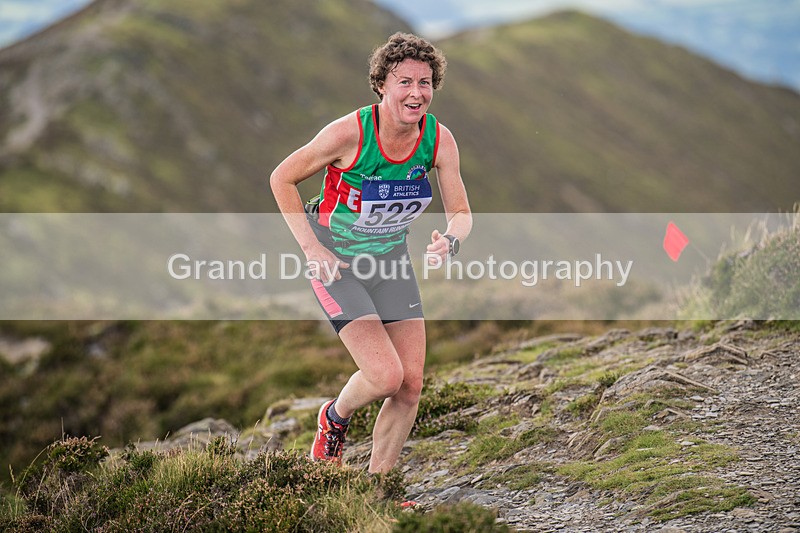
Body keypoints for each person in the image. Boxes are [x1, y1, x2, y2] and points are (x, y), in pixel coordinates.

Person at [270, 32, 471, 474]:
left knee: (411, 385)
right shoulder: (349, 133)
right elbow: (281, 178)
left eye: (425, 82)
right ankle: (333, 418)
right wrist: (310, 248)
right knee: (384, 376)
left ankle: (379, 488)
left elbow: (461, 212)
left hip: (391, 262)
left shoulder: (439, 140)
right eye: (404, 82)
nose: (416, 93)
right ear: (382, 84)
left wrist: (451, 239)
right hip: (337, 263)